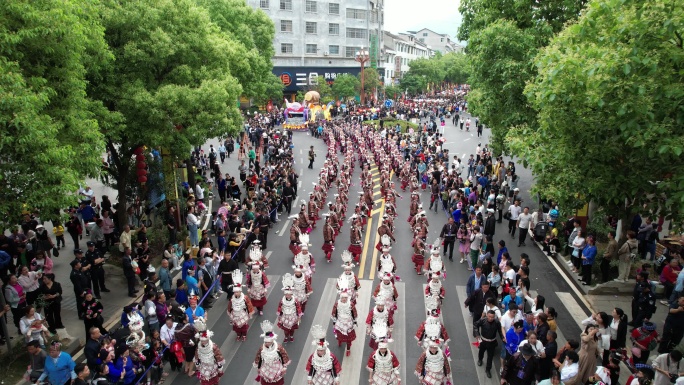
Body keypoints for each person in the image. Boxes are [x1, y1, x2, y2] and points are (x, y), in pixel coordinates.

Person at [253, 320, 290, 385]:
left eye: (269, 342)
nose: (267, 343)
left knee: (277, 381)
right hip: (266, 366)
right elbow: (259, 357)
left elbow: (284, 355)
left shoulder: (278, 347)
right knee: (266, 380)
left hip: (276, 366)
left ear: (272, 341)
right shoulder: (262, 348)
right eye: (266, 342)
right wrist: (258, 367)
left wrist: (284, 367)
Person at [193, 319, 225, 385]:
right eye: (202, 341)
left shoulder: (213, 346)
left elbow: (218, 356)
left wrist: (219, 366)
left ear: (208, 339)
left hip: (212, 365)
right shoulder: (198, 346)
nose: (203, 342)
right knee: (205, 381)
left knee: (214, 380)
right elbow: (197, 355)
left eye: (204, 341)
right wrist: (197, 363)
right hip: (203, 366)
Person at [473, 310, 503, 378]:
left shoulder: (497, 322)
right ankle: (480, 359)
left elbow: (500, 331)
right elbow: (475, 325)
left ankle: (488, 369)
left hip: (492, 342)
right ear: (487, 315)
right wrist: (477, 335)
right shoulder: (482, 320)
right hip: (483, 340)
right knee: (481, 351)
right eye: (489, 316)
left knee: (490, 356)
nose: (491, 318)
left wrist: (502, 338)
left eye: (492, 317)